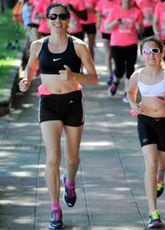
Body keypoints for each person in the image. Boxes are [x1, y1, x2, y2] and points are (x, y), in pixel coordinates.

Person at [18, 3, 98, 229]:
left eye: (62, 17)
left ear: (68, 20)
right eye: (53, 17)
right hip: (49, 103)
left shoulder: (79, 46)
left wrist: (74, 75)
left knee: (72, 158)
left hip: (73, 102)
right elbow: (31, 70)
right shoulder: (38, 45)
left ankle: (70, 182)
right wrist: (26, 81)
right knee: (53, 157)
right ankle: (54, 208)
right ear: (47, 19)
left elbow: (93, 78)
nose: (58, 20)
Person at [127, 36, 165, 228]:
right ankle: (153, 212)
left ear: (161, 53)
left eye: (155, 51)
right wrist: (133, 105)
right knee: (151, 165)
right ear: (142, 54)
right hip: (145, 121)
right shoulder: (137, 75)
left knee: (162, 165)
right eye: (147, 51)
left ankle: (161, 178)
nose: (151, 55)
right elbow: (130, 92)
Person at [105, 0, 144, 103]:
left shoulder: (136, 12)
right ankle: (115, 81)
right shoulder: (114, 10)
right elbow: (107, 27)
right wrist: (116, 22)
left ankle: (128, 93)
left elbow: (141, 29)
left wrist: (139, 27)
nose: (127, 1)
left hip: (131, 43)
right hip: (117, 44)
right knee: (119, 69)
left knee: (130, 67)